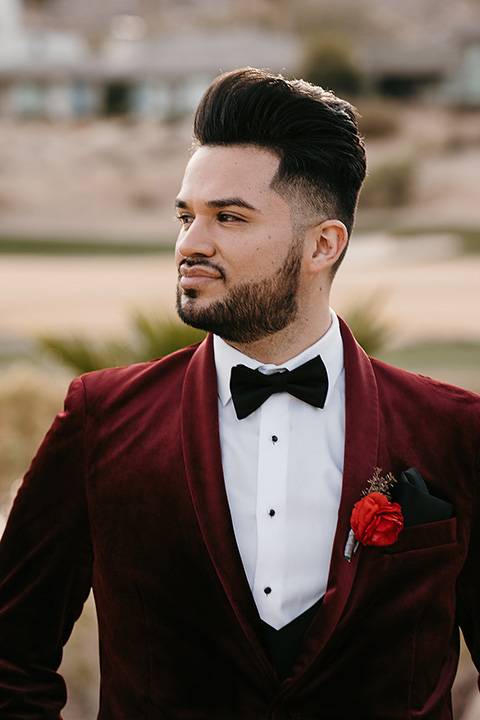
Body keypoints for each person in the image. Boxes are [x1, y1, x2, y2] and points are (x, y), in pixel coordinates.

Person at [0, 67, 479, 720]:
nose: (190, 245)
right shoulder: (101, 420)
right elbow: (11, 655)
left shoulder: (453, 427)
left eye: (228, 217)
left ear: (322, 245)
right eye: (186, 216)